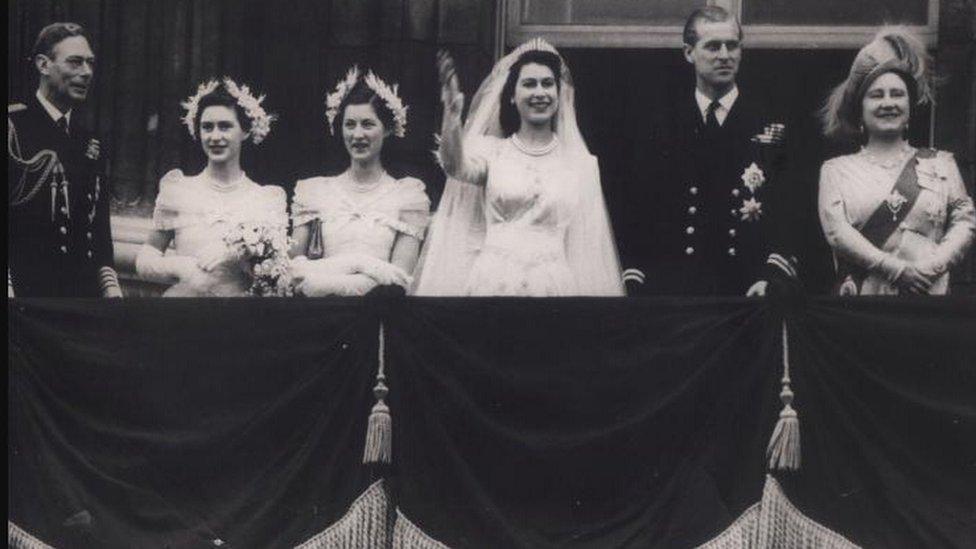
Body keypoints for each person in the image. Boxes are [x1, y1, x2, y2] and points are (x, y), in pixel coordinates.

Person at [412, 38, 624, 296]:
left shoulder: (580, 164)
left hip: (554, 287)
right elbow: (455, 166)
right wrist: (452, 117)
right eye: (528, 84)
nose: (539, 93)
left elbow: (589, 244)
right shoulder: (492, 152)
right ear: (512, 96)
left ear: (559, 94)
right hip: (492, 283)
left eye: (547, 84)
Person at [620, 7, 799, 297]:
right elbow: (638, 209)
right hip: (674, 293)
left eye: (732, 45)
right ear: (689, 52)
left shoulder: (769, 123)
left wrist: (772, 275)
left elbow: (790, 210)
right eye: (713, 46)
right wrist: (638, 276)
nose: (725, 55)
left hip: (750, 290)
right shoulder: (661, 124)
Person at [818, 27, 975, 295]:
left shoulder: (941, 164)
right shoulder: (837, 170)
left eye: (897, 94)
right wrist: (896, 270)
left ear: (910, 105)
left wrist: (932, 267)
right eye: (876, 95)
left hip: (928, 298)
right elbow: (837, 233)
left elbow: (965, 221)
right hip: (863, 304)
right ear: (861, 108)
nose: (888, 103)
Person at [135, 78, 287, 297]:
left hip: (240, 320)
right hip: (185, 315)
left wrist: (239, 252)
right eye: (207, 127)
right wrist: (180, 267)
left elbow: (278, 278)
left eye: (225, 126)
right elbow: (146, 258)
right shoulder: (179, 191)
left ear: (245, 131)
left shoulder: (265, 199)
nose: (215, 137)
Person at [289, 67, 427, 296]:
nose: (358, 134)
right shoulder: (314, 192)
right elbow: (293, 272)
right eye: (350, 124)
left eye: (368, 124)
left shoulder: (407, 196)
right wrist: (359, 263)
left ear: (388, 129)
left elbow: (399, 281)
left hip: (378, 317)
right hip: (321, 317)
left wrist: (320, 282)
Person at [8, 22, 121, 297]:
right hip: (25, 301)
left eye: (90, 63)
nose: (86, 72)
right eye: (75, 62)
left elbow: (99, 231)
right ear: (43, 65)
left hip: (82, 300)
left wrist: (110, 288)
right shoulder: (13, 130)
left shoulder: (89, 140)